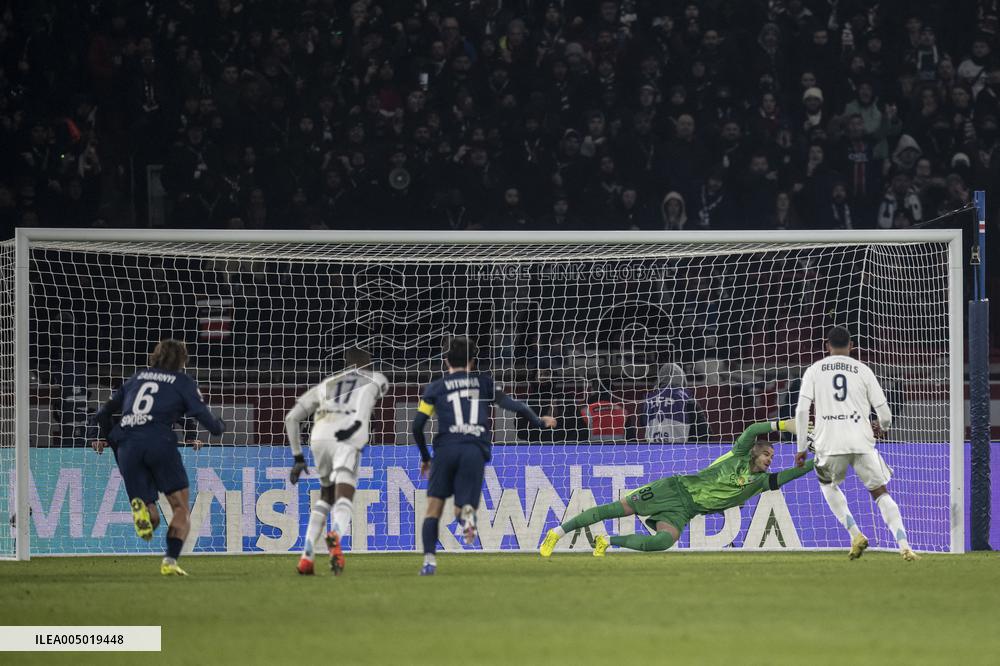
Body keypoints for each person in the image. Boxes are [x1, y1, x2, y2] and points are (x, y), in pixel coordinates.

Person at [540, 419, 810, 556]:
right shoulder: (739, 454)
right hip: (674, 488)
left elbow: (791, 475)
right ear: (755, 453)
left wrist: (820, 463)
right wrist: (783, 425)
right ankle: (557, 532)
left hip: (686, 510)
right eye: (767, 455)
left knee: (663, 542)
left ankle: (607, 541)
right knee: (616, 510)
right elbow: (751, 430)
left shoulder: (761, 482)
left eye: (772, 458)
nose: (770, 460)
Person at [413, 337, 556, 575]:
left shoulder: (435, 388)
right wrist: (540, 422)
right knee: (462, 508)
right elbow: (517, 405)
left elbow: (417, 426)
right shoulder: (483, 383)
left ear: (446, 361)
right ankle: (467, 516)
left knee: (433, 509)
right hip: (474, 450)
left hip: (446, 449)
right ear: (472, 361)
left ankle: (429, 562)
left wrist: (426, 457)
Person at [91, 339, 226, 576]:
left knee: (151, 517)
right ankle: (170, 561)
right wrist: (219, 426)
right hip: (158, 442)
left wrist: (112, 441)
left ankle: (144, 508)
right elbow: (202, 416)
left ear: (155, 356)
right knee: (180, 509)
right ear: (182, 360)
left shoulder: (137, 378)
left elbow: (102, 413)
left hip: (127, 446)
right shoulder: (182, 381)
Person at [795, 326, 918, 561]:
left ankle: (855, 534)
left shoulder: (814, 370)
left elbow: (801, 410)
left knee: (826, 484)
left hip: (829, 443)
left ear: (827, 346)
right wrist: (883, 427)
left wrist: (801, 448)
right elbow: (885, 413)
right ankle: (904, 546)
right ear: (851, 346)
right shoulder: (863, 370)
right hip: (861, 441)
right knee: (880, 493)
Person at [285, 348, 388, 576]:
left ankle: (306, 557)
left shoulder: (327, 383)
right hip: (346, 435)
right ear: (368, 362)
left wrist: (298, 457)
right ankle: (336, 537)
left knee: (326, 495)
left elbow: (291, 418)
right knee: (344, 495)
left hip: (319, 436)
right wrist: (354, 427)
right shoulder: (376, 378)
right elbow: (365, 401)